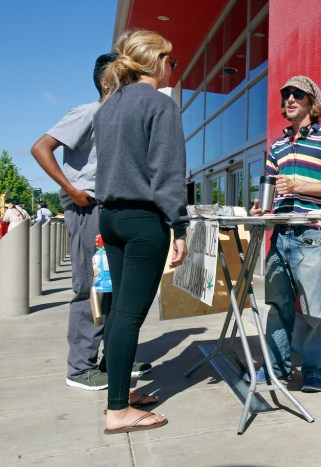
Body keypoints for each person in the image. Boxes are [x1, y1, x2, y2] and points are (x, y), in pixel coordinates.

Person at [31, 53, 153, 394]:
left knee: (112, 290)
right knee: (92, 288)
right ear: (107, 82)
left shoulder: (116, 119)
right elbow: (41, 147)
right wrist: (71, 189)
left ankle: (111, 359)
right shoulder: (89, 113)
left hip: (111, 211)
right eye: (127, 78)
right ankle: (80, 366)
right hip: (89, 211)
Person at [94, 29, 188, 434]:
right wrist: (179, 226)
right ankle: (118, 411)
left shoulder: (107, 107)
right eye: (171, 60)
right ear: (155, 61)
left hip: (110, 216)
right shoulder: (159, 105)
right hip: (142, 220)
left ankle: (121, 393)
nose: (173, 68)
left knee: (118, 311)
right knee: (130, 315)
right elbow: (167, 172)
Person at [249, 75, 321, 393]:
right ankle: (276, 369)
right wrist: (260, 207)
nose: (290, 99)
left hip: (309, 236)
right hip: (280, 235)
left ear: (311, 102)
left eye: (297, 94)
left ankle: (317, 370)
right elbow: (270, 188)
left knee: (314, 309)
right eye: (286, 94)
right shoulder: (276, 145)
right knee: (278, 307)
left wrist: (298, 185)